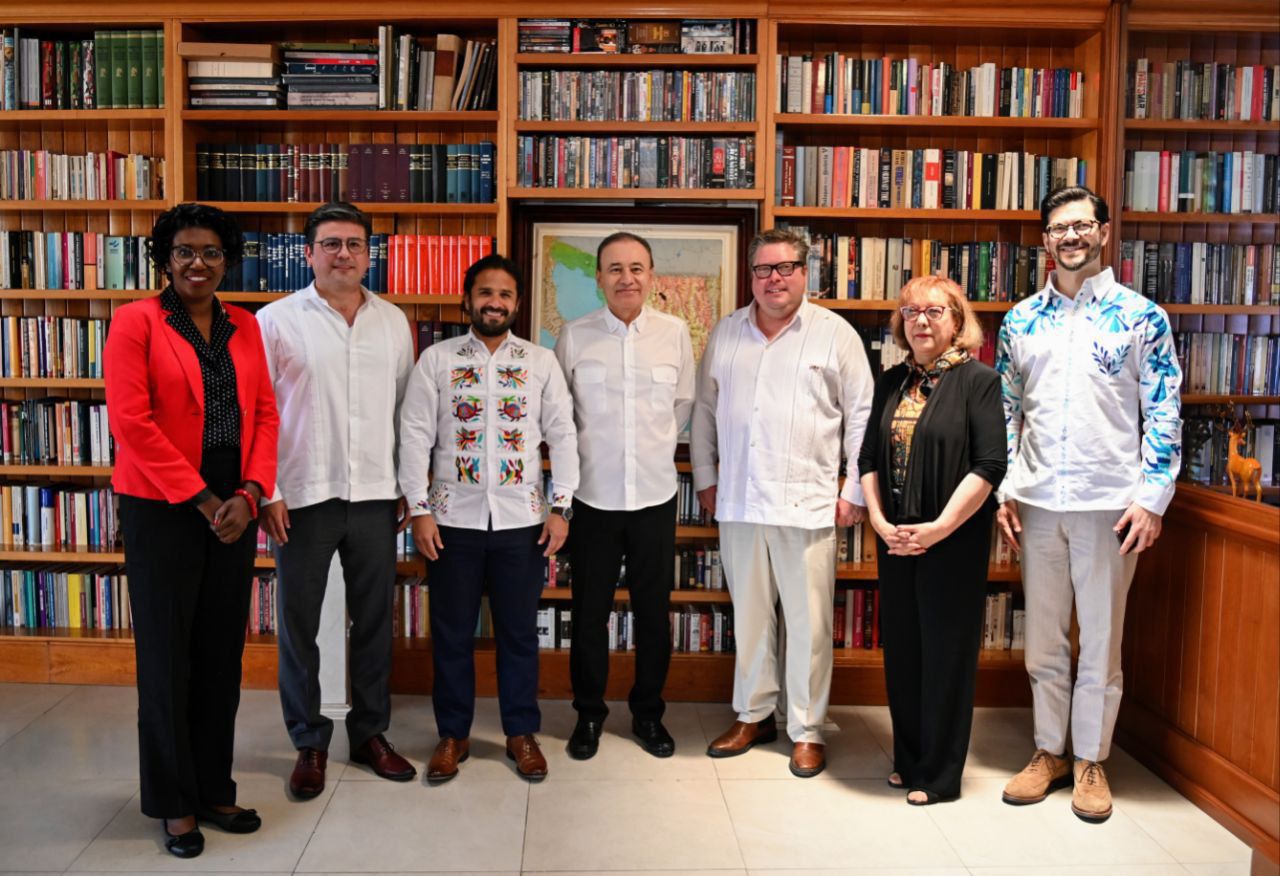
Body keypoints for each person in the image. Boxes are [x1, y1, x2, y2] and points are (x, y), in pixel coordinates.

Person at [996, 186, 1182, 823]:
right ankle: (1048, 751)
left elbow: (1163, 411)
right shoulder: (1021, 321)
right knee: (1043, 641)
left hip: (1111, 505)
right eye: (1058, 228)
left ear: (1103, 232)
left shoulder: (1141, 318)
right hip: (1038, 501)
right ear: (1045, 240)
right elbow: (1007, 411)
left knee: (1101, 640)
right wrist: (1006, 489)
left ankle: (1091, 761)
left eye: (1082, 225)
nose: (1070, 237)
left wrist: (1152, 499)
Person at [104, 203, 279, 858]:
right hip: (163, 505)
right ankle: (174, 802)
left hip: (234, 502)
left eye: (210, 251)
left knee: (219, 656)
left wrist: (252, 492)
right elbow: (132, 422)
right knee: (167, 659)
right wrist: (204, 500)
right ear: (165, 259)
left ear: (226, 259)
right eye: (184, 251)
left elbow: (265, 412)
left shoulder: (246, 326)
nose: (197, 263)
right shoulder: (135, 323)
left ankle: (213, 788)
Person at [692, 227, 874, 778]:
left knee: (810, 626)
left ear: (804, 272)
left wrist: (853, 490)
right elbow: (704, 411)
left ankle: (807, 729)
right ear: (751, 276)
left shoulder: (835, 334)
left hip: (808, 501)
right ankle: (753, 715)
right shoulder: (726, 333)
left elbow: (862, 417)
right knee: (750, 620)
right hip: (740, 500)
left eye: (785, 268)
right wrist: (706, 478)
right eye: (763, 269)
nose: (774, 279)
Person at [257, 202, 417, 799]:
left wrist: (408, 487)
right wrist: (269, 491)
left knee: (374, 621)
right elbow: (259, 411)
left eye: (354, 243)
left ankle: (371, 734)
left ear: (368, 254)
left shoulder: (393, 322)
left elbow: (407, 412)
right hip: (301, 496)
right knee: (299, 625)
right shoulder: (275, 321)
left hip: (376, 495)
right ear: (309, 253)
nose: (343, 253)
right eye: (331, 243)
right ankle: (309, 740)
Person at [399, 253, 579, 783]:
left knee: (519, 634)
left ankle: (521, 732)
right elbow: (415, 434)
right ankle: (452, 735)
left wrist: (561, 506)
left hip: (522, 521)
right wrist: (418, 509)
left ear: (517, 304)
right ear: (468, 300)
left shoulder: (540, 362)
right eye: (485, 292)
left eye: (504, 294)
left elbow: (563, 434)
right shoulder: (437, 359)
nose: (494, 302)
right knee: (451, 633)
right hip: (450, 521)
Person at [857, 276, 1006, 805]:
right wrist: (879, 522)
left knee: (946, 655)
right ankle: (909, 758)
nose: (921, 320)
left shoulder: (979, 381)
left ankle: (940, 775)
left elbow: (989, 465)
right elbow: (867, 459)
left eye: (935, 311)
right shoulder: (890, 381)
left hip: (952, 539)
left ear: (957, 321)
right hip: (895, 538)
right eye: (911, 311)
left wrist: (939, 528)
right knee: (904, 651)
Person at [554, 232, 695, 760]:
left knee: (653, 615)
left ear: (651, 276)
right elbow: (561, 416)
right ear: (598, 278)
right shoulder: (575, 336)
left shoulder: (674, 333)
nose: (626, 278)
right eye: (614, 269)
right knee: (589, 615)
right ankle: (589, 714)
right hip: (593, 499)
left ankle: (648, 713)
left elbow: (682, 405)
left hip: (654, 497)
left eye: (636, 268)